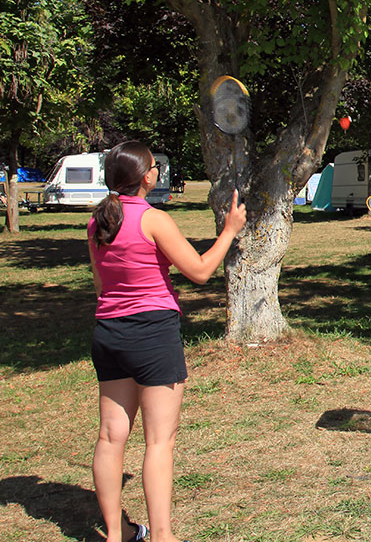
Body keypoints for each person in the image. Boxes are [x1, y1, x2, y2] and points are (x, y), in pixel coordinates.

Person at [88, 141, 246, 542]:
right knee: (159, 440)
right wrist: (229, 230)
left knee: (110, 436)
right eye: (155, 166)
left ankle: (114, 534)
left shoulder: (97, 223)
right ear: (146, 177)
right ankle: (161, 535)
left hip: (108, 334)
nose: (158, 171)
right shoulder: (153, 219)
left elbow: (99, 284)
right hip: (152, 335)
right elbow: (200, 271)